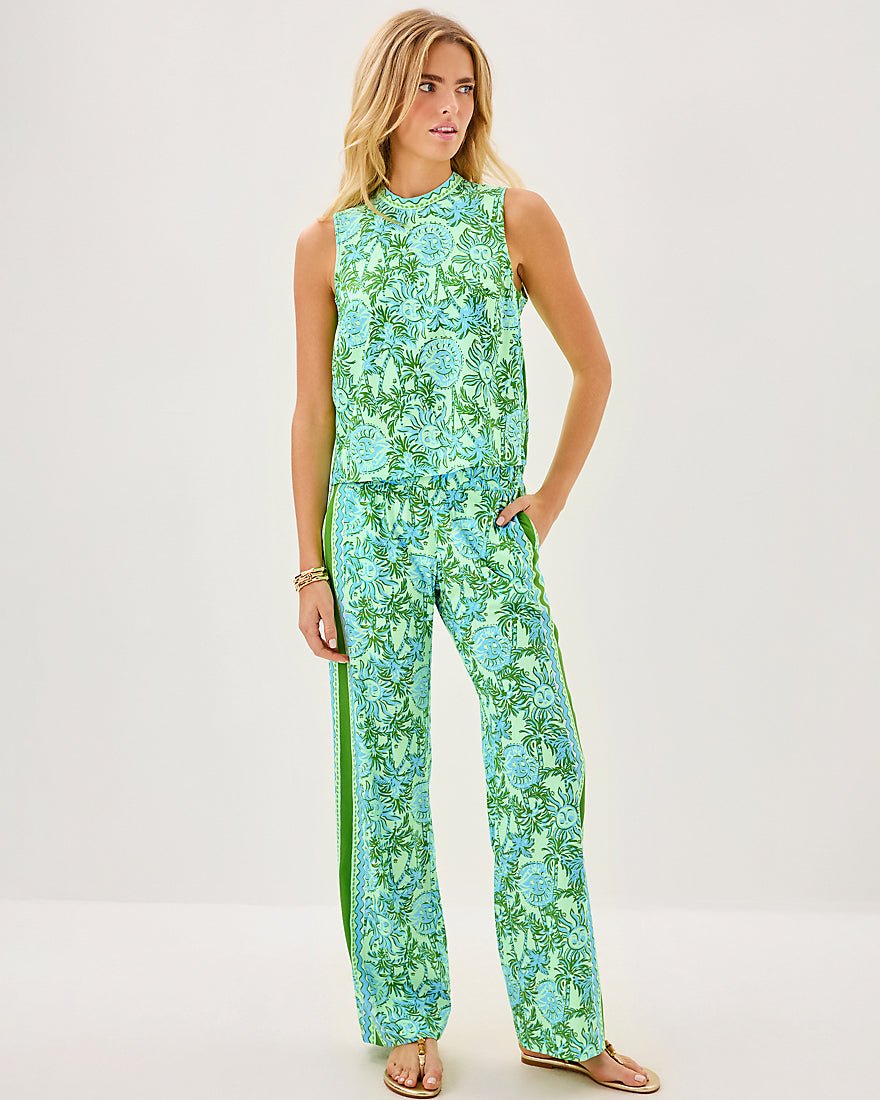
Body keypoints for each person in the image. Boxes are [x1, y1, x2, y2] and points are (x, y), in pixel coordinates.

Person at [290, 9, 660, 1097]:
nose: (449, 107)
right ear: (385, 97)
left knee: (538, 744)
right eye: (427, 86)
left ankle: (561, 1018)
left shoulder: (514, 218)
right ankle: (407, 1020)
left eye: (464, 88)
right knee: (387, 768)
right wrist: (310, 565)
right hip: (369, 530)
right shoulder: (327, 244)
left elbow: (594, 369)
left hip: (484, 524)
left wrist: (544, 503)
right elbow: (313, 413)